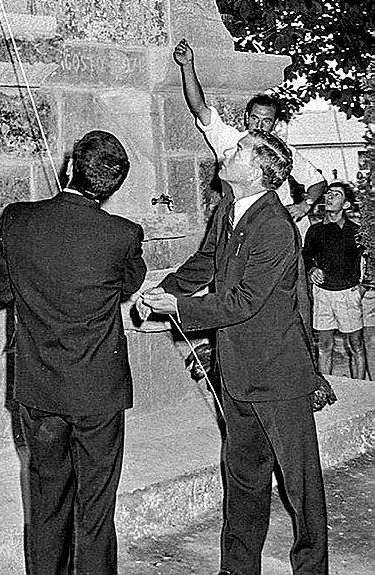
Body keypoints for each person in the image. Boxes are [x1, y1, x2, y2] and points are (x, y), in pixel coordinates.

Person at [139, 131, 327, 575]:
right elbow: (206, 262)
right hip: (238, 372)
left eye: (240, 149)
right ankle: (238, 568)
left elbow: (243, 301)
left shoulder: (277, 229)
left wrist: (180, 308)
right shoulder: (228, 209)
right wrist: (163, 291)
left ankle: (312, 569)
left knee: (302, 487)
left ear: (258, 173)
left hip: (278, 376)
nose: (228, 151)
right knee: (243, 478)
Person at [0, 131, 146, 575]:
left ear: (71, 167)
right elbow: (130, 284)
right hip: (97, 393)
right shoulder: (123, 235)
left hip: (40, 390)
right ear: (113, 186)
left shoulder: (16, 219)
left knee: (46, 500)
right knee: (95, 508)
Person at [173, 37, 326, 231]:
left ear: (275, 123)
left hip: (280, 228)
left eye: (267, 121)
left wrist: (304, 205)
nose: (259, 125)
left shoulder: (284, 153)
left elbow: (317, 182)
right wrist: (187, 66)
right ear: (246, 117)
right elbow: (200, 108)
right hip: (244, 226)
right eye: (255, 118)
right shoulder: (231, 140)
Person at [303, 181, 366, 379]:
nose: (329, 197)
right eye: (328, 193)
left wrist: (363, 287)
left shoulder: (356, 232)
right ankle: (328, 390)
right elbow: (306, 256)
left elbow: (371, 261)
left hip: (348, 295)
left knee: (356, 346)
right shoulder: (314, 231)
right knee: (324, 347)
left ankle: (360, 391)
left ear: (346, 205)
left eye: (336, 194)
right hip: (322, 295)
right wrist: (312, 269)